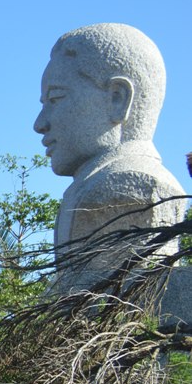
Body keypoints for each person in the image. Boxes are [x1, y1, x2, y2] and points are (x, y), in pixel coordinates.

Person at [33, 24, 187, 289]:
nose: (40, 124)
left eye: (55, 98)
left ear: (117, 98)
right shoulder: (87, 186)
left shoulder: (130, 185)